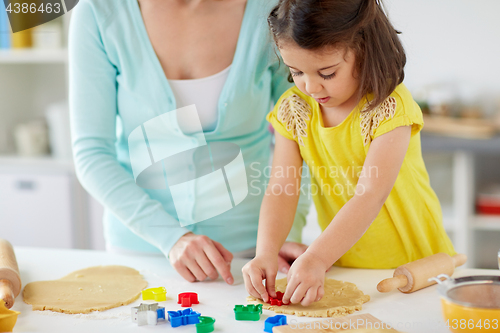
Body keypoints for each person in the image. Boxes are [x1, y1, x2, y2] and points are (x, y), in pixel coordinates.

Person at [69, 0, 310, 284]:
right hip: (140, 253)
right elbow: (92, 153)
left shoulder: (273, 9)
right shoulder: (100, 12)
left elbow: (302, 141)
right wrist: (172, 238)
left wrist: (283, 235)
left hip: (254, 254)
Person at [242, 0, 456, 306]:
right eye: (296, 71)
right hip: (346, 264)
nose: (311, 86)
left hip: (416, 267)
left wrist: (316, 256)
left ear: (364, 49)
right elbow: (281, 187)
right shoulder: (293, 109)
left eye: (327, 73)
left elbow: (370, 194)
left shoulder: (390, 106)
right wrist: (265, 252)